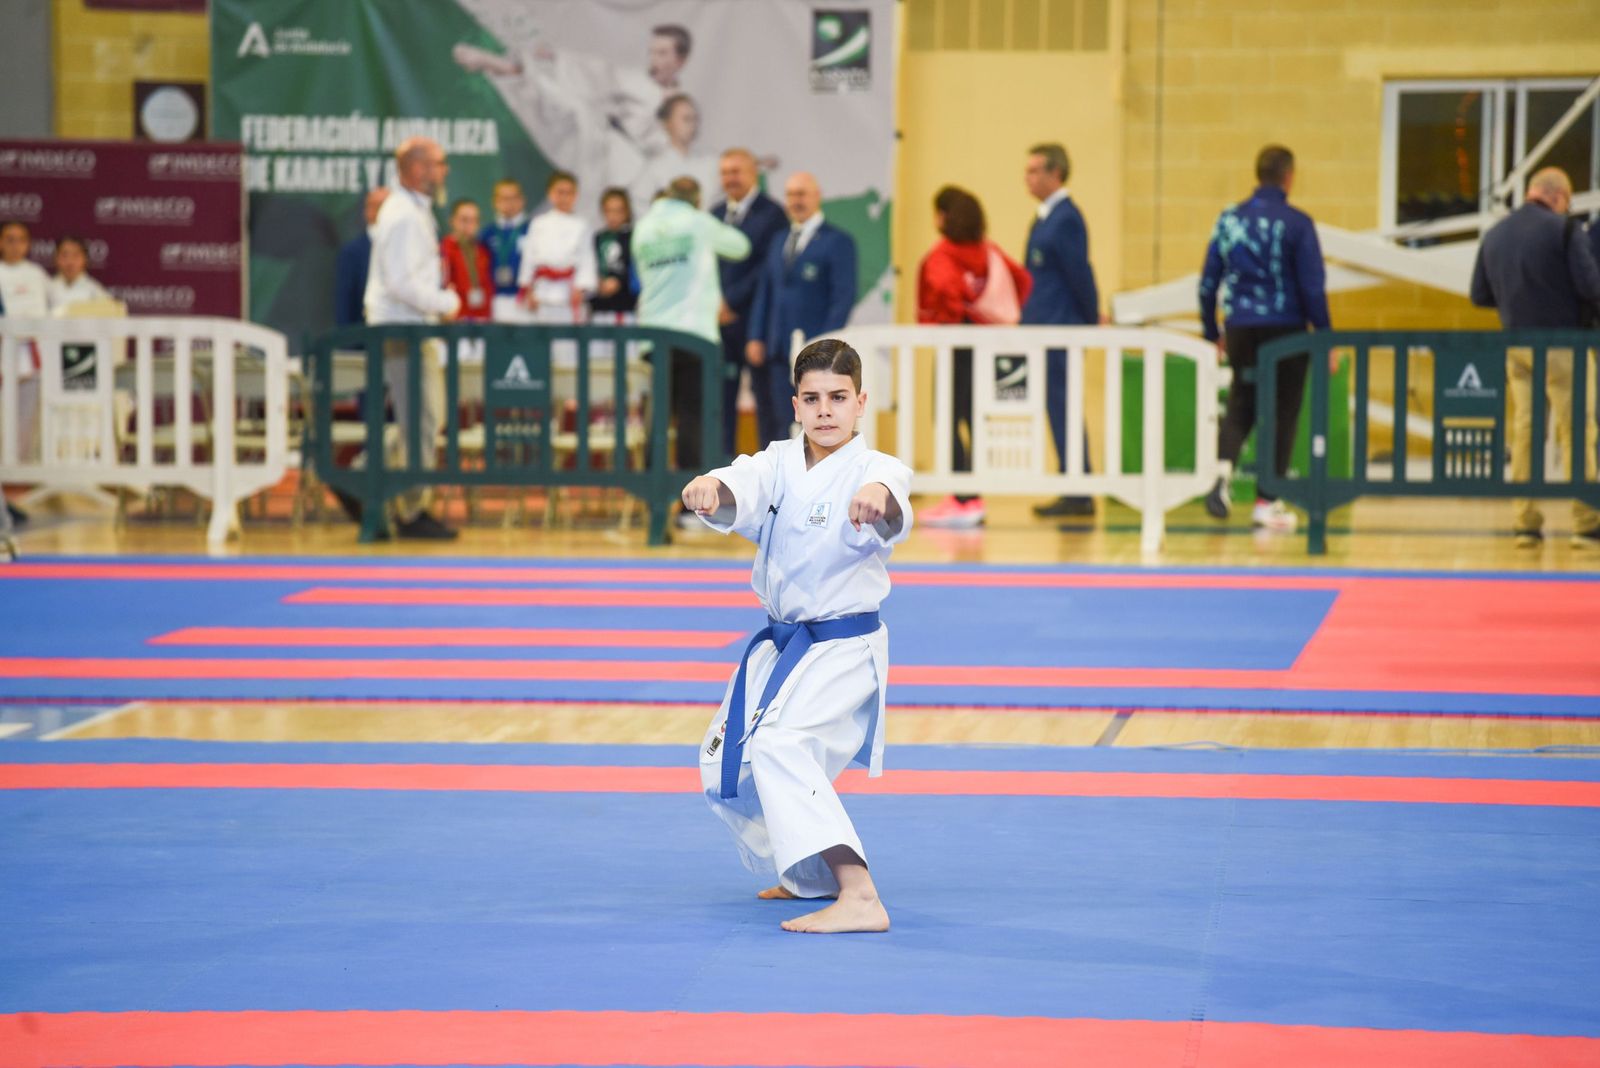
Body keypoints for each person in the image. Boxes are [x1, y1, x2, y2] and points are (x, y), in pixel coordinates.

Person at [680, 337, 911, 934]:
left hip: (842, 645)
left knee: (783, 746)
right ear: (795, 403)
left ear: (861, 402)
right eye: (813, 399)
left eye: (839, 397)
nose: (826, 410)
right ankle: (808, 874)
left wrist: (877, 501)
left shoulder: (874, 468)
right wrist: (712, 487)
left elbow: (892, 501)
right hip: (783, 644)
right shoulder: (778, 461)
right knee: (724, 762)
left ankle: (859, 895)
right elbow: (740, 484)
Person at [1198, 145, 1332, 535]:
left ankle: (1222, 477)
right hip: (1285, 328)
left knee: (1242, 400)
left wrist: (1212, 331)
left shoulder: (1229, 220)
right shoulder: (1297, 223)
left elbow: (1208, 283)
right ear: (1289, 176)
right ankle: (1266, 500)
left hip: (1240, 325)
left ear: (1258, 175)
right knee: (1283, 410)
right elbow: (1312, 287)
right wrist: (1324, 336)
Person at [1470, 166, 1600, 549]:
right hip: (1564, 345)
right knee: (1577, 430)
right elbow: (1590, 286)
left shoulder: (1495, 234)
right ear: (1558, 196)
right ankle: (1586, 521)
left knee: (1525, 431)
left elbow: (1479, 295)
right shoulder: (1563, 230)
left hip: (1517, 346)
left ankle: (1525, 522)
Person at [362, 136, 461, 540]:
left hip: (408, 326)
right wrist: (446, 301)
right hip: (402, 328)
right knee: (421, 420)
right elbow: (401, 282)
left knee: (420, 419)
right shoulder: (403, 214)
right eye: (439, 163)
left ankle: (361, 480)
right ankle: (409, 508)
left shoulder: (413, 211)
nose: (444, 170)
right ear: (417, 168)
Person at [917, 185, 1033, 529]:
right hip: (988, 347)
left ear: (943, 216)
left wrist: (947, 320)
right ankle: (972, 495)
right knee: (973, 418)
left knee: (948, 418)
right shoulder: (988, 250)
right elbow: (1022, 280)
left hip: (956, 347)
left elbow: (945, 297)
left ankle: (962, 497)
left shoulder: (943, 255)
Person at [633, 175, 750, 480]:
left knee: (657, 417)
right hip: (692, 334)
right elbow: (740, 247)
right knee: (692, 418)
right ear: (697, 200)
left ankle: (651, 493)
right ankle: (689, 501)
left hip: (652, 335)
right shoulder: (698, 222)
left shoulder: (643, 228)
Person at [1020, 143, 1100, 520]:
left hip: (1062, 327)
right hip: (1045, 327)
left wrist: (1088, 321)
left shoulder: (1066, 218)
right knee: (1057, 407)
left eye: (1035, 170)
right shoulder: (1045, 216)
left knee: (1064, 405)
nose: (1028, 177)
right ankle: (1073, 484)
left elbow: (1080, 274)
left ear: (1056, 173)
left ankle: (1079, 488)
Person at [747, 172, 857, 445]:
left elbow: (842, 298)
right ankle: (774, 486)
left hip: (813, 355)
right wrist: (756, 336)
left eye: (802, 194)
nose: (796, 200)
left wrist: (823, 347)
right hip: (775, 349)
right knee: (774, 422)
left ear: (817, 196)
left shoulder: (838, 242)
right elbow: (766, 291)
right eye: (791, 194)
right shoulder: (778, 239)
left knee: (812, 423)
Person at [712, 148, 788, 455]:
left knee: (767, 402)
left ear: (753, 173)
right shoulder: (714, 215)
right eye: (726, 172)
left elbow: (766, 269)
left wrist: (731, 300)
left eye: (737, 171)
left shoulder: (773, 214)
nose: (731, 178)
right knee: (719, 404)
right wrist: (716, 304)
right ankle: (724, 478)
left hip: (757, 324)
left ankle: (769, 481)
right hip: (720, 325)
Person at [0, 220, 50, 485]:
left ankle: (18, 482)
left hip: (31, 358)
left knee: (26, 421)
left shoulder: (37, 274)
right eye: (9, 238)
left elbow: (55, 310)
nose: (15, 245)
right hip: (2, 355)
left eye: (21, 239)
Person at [518, 171, 597, 325]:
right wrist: (528, 288)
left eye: (569, 193)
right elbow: (529, 257)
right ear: (550, 194)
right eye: (560, 192)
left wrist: (580, 288)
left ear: (575, 196)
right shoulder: (538, 223)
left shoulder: (582, 225)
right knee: (540, 341)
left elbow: (587, 259)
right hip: (541, 290)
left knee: (567, 344)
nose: (564, 198)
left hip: (569, 291)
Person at [629, 93, 719, 218]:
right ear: (666, 123)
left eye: (695, 119)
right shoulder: (654, 167)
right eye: (686, 119)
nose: (692, 125)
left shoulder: (711, 161)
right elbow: (639, 204)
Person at [334, 188, 388, 328]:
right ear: (367, 210)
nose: (381, 211)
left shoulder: (404, 247)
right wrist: (348, 344)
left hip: (400, 335)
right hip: (363, 340)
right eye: (376, 206)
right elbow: (344, 304)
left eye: (387, 206)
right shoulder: (352, 252)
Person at [482, 179, 531, 323]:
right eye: (503, 198)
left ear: (522, 200)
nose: (509, 203)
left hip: (524, 300)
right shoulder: (487, 233)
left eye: (513, 198)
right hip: (495, 300)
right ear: (494, 201)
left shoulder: (534, 230)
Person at [589, 187, 638, 324]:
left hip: (626, 307)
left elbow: (637, 270)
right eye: (609, 210)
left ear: (627, 211)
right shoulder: (598, 238)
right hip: (600, 307)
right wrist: (597, 283)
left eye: (618, 211)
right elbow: (590, 265)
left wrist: (619, 281)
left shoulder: (634, 237)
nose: (613, 216)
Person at [441, 199, 494, 321]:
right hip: (455, 321)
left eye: (474, 221)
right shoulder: (444, 250)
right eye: (464, 220)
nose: (469, 226)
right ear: (452, 221)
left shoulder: (483, 251)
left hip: (483, 319)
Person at [47, 236, 112, 314]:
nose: (70, 262)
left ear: (85, 259)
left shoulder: (95, 291)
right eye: (65, 255)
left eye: (75, 256)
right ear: (56, 258)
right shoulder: (46, 287)